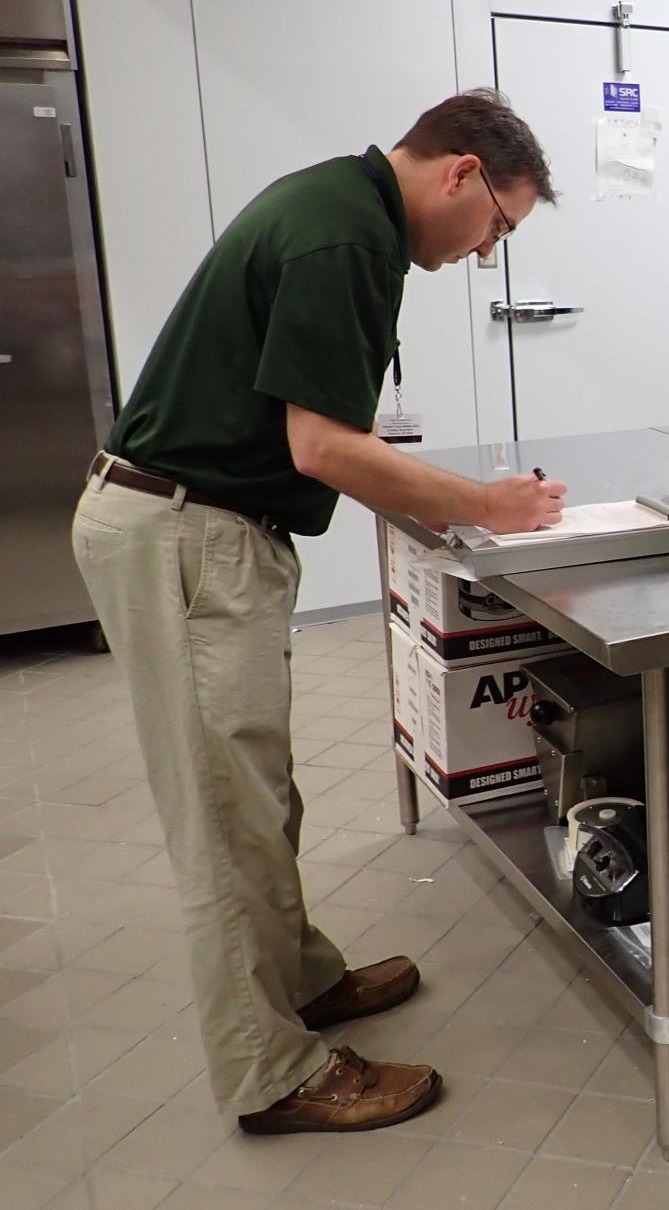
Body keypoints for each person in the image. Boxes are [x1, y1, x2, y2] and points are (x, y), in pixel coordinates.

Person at [70, 90, 569, 1134]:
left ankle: (299, 981)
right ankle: (274, 1072)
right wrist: (486, 507)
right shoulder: (345, 237)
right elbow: (324, 448)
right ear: (463, 174)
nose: (489, 253)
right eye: (500, 228)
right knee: (225, 819)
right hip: (182, 535)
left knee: (257, 793)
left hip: (202, 530)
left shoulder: (344, 213)